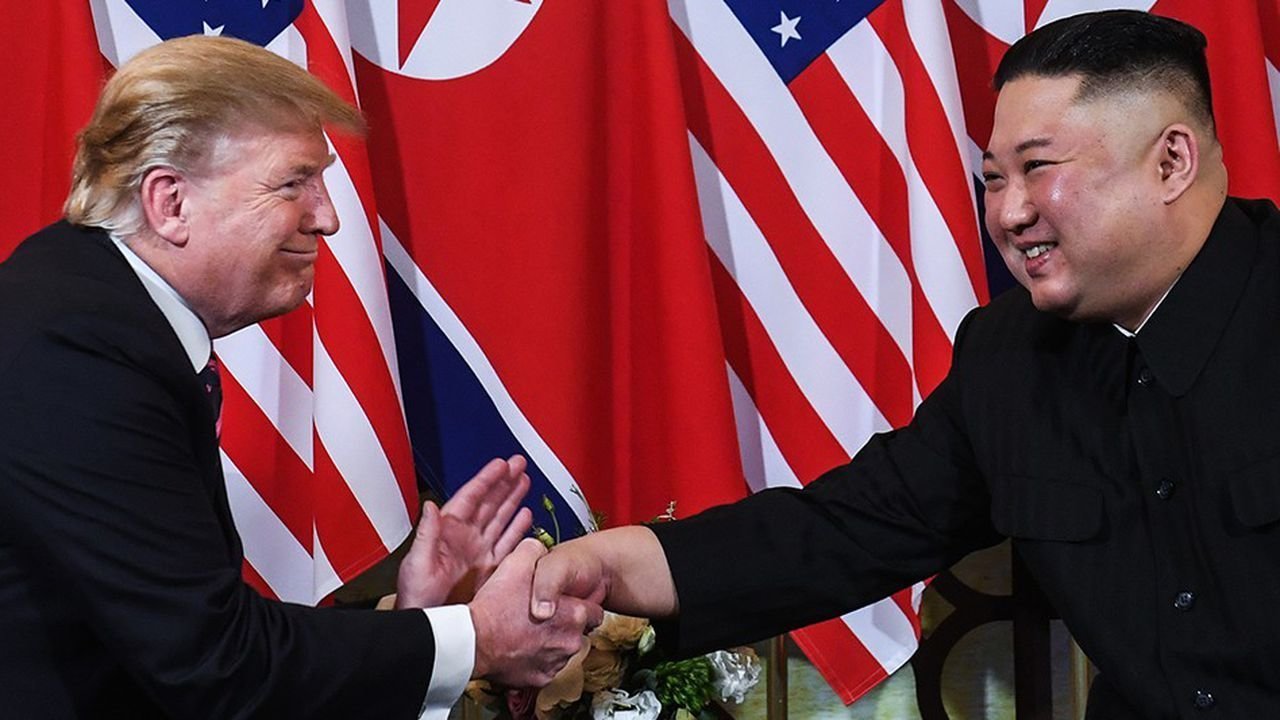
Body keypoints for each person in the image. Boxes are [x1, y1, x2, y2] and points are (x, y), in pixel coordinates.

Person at [532, 10, 1280, 718]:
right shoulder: (1009, 355)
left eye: (1038, 167)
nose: (1010, 214)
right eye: (994, 178)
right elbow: (843, 530)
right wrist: (606, 567)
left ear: (1171, 162)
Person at [0, 35, 599, 718]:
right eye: (293, 183)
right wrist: (477, 639)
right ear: (170, 203)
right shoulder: (75, 352)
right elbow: (214, 665)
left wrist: (415, 617)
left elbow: (181, 640)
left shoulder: (95, 312)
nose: (329, 217)